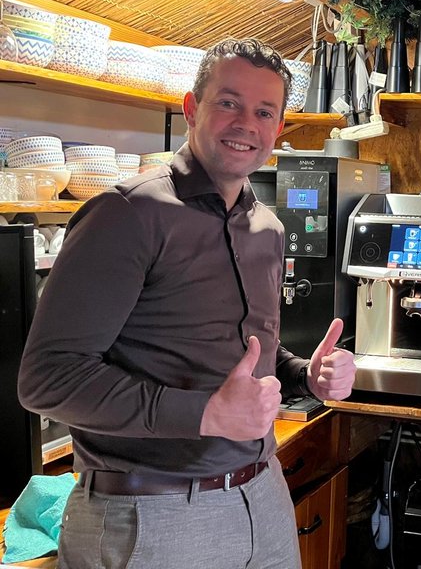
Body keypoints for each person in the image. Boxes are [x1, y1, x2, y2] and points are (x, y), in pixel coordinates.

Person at [18, 38, 357, 569]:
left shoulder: (266, 228)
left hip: (263, 498)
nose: (246, 123)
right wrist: (204, 413)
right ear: (192, 109)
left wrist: (303, 376)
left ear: (278, 128)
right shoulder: (127, 214)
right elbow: (47, 379)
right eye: (229, 102)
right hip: (152, 513)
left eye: (264, 111)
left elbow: (245, 356)